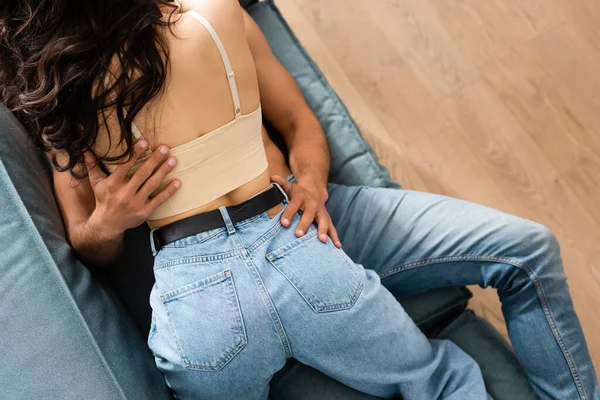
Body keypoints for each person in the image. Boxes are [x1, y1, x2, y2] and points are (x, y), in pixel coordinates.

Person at [1, 0, 597, 399]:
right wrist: (112, 220)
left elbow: (299, 122)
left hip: (303, 208)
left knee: (528, 249)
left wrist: (311, 184)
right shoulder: (67, 85)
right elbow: (86, 239)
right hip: (242, 256)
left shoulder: (210, 16)